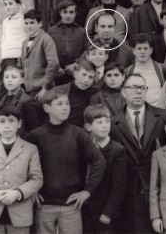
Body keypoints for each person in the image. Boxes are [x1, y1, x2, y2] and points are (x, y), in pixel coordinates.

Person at [25, 87, 106, 234]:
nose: (65, 107)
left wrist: (88, 191)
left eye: (67, 103)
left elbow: (99, 162)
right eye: (60, 104)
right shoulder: (35, 136)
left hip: (71, 206)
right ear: (47, 108)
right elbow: (20, 163)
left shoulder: (78, 134)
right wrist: (29, 190)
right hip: (43, 206)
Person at [110, 74, 166, 233]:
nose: (138, 91)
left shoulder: (163, 117)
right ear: (123, 92)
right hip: (127, 190)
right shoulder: (112, 123)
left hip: (157, 186)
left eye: (142, 88)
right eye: (133, 87)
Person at [0, 105, 43, 234]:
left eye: (11, 121)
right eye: (2, 121)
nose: (6, 126)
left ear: (19, 123)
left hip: (20, 215)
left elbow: (36, 179)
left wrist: (17, 193)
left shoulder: (30, 149)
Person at [83, 104, 127, 234]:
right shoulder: (83, 146)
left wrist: (108, 212)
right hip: (84, 208)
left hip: (104, 210)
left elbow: (118, 186)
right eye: (100, 122)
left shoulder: (117, 150)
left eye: (107, 121)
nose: (105, 125)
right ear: (88, 127)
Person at [18, 9, 59, 100]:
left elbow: (54, 63)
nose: (29, 26)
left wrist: (45, 87)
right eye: (26, 23)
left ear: (40, 24)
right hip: (27, 90)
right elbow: (20, 65)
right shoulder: (25, 42)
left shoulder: (46, 39)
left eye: (32, 23)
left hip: (41, 90)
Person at [125, 33, 166, 107]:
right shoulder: (127, 72)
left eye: (145, 48)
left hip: (159, 113)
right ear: (133, 50)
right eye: (139, 48)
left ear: (151, 50)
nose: (142, 52)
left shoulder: (163, 69)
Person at [48, 0, 89, 85]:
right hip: (57, 74)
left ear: (75, 13)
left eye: (71, 12)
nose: (68, 15)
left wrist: (75, 64)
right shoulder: (51, 31)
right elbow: (47, 51)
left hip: (75, 72)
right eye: (65, 12)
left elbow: (88, 50)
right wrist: (55, 67)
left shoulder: (81, 31)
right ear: (60, 13)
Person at [0, 0, 26, 102]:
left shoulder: (24, 19)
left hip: (16, 57)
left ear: (18, 5)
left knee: (13, 85)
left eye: (10, 3)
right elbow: (3, 40)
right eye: (5, 4)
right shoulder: (5, 22)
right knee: (2, 85)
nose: (7, 7)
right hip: (5, 57)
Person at [0, 66, 42, 133]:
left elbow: (34, 130)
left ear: (22, 80)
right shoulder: (1, 99)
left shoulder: (27, 101)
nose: (9, 80)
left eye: (14, 77)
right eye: (6, 77)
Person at [54, 60, 98, 128]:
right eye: (84, 74)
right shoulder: (58, 91)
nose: (86, 80)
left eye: (90, 77)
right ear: (75, 74)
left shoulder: (95, 93)